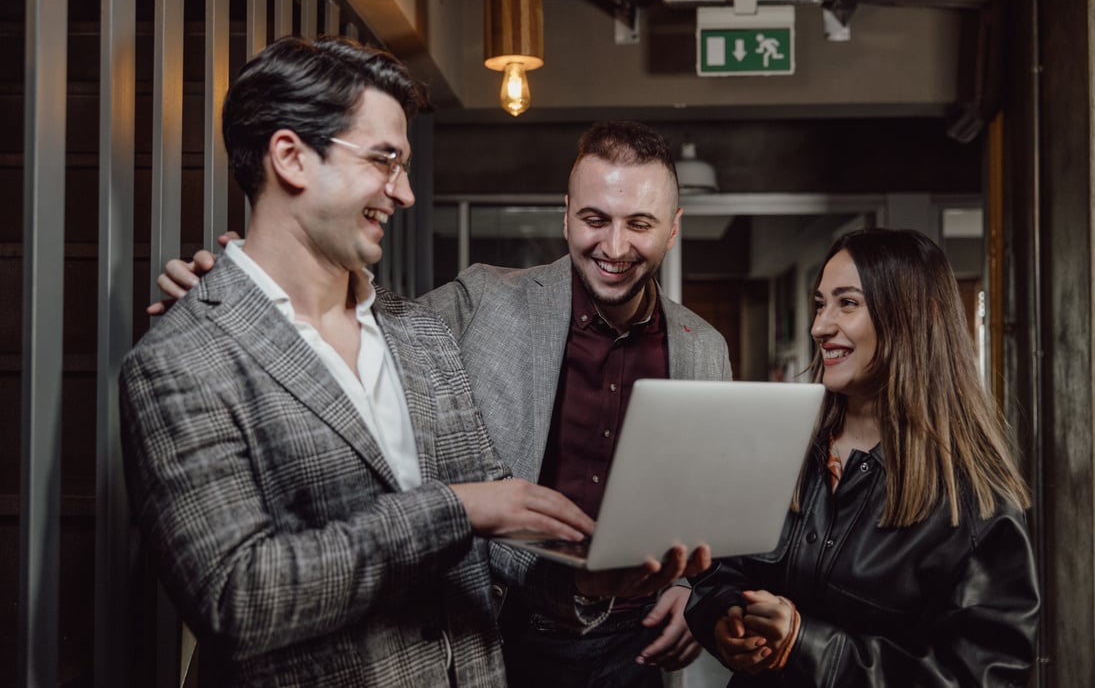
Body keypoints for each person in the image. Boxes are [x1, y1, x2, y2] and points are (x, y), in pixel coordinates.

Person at [121, 36, 706, 688]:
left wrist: (586, 581)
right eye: (383, 161)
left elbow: (497, 528)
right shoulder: (179, 361)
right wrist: (453, 508)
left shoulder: (420, 333)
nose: (404, 195)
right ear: (290, 157)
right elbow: (240, 599)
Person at [684, 228, 1040, 687]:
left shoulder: (976, 499)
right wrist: (724, 619)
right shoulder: (782, 447)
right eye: (819, 303)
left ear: (912, 316)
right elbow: (720, 570)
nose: (819, 326)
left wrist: (805, 644)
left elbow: (979, 676)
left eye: (846, 303)